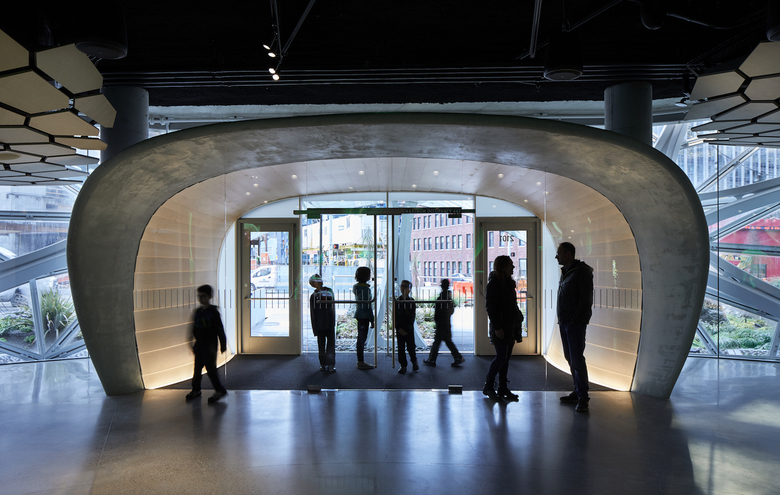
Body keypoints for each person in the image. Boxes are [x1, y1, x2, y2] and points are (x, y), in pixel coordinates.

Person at [556, 241, 594, 412]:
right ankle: (578, 391)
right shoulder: (567, 271)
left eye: (559, 253)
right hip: (565, 322)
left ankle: (583, 397)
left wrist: (575, 320)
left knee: (577, 359)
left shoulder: (582, 272)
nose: (556, 256)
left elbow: (585, 300)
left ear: (568, 254)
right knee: (570, 358)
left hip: (574, 324)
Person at [483, 255, 524, 401]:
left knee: (505, 359)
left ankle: (502, 388)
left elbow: (511, 305)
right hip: (502, 327)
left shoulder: (507, 283)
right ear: (503, 267)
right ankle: (489, 386)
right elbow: (491, 308)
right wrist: (497, 327)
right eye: (510, 264)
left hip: (510, 326)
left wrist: (517, 317)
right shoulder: (494, 284)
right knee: (501, 357)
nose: (513, 267)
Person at [186, 284, 228, 403]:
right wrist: (190, 340)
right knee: (197, 369)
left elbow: (219, 329)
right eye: (199, 296)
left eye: (203, 296)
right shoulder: (198, 311)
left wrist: (223, 344)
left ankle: (219, 390)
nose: (201, 298)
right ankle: (196, 389)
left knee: (211, 370)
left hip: (210, 345)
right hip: (199, 344)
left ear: (209, 296)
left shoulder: (213, 312)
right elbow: (194, 327)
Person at [424, 278, 465, 367]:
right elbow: (451, 311)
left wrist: (437, 320)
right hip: (446, 322)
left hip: (441, 323)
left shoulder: (442, 297)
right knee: (446, 341)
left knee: (438, 342)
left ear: (442, 286)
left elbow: (438, 311)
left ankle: (432, 359)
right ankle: (457, 357)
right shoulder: (449, 298)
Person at [309, 273, 336, 372]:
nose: (319, 281)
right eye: (316, 280)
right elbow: (313, 313)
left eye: (319, 279)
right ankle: (324, 364)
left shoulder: (329, 291)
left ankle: (330, 364)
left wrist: (333, 321)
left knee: (330, 344)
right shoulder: (314, 296)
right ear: (313, 284)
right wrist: (315, 328)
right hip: (320, 323)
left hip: (328, 322)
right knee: (321, 344)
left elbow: (333, 307)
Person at [395, 280, 418, 374]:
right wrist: (398, 328)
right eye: (402, 286)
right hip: (401, 328)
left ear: (409, 289)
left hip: (408, 328)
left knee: (410, 347)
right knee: (401, 348)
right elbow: (395, 316)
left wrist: (408, 328)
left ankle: (414, 361)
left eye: (405, 286)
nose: (403, 288)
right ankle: (403, 365)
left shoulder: (411, 301)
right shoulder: (397, 301)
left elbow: (412, 316)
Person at [353, 266, 374, 370]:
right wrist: (372, 319)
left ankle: (360, 360)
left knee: (360, 338)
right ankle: (360, 361)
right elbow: (367, 306)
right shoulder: (366, 289)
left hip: (359, 314)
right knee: (362, 338)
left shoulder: (356, 287)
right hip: (364, 316)